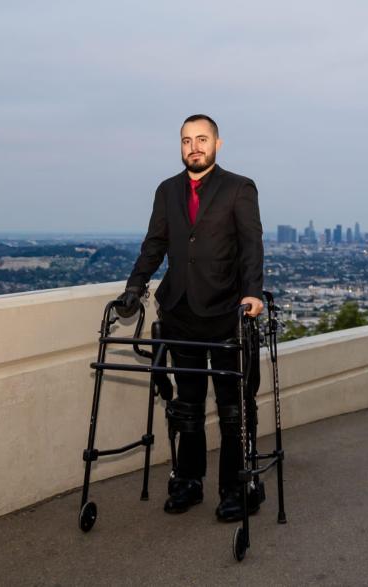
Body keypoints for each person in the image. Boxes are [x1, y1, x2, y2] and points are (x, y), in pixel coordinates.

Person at [117, 114, 264, 522]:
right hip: (180, 311)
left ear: (218, 144)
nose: (193, 147)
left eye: (202, 139)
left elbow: (252, 245)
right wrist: (134, 287)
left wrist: (253, 291)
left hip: (226, 313)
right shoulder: (167, 191)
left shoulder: (239, 188)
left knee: (234, 406)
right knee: (188, 404)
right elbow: (155, 244)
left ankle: (237, 486)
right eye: (186, 141)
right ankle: (189, 480)